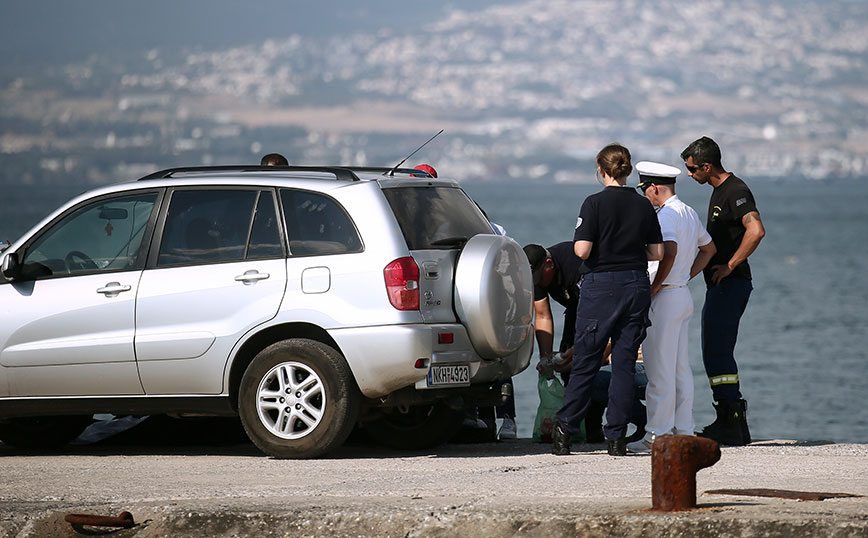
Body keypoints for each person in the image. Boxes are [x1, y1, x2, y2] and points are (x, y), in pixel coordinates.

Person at [552, 143, 663, 456]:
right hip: (636, 284)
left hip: (601, 286)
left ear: (601, 171)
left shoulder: (593, 203)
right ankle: (616, 437)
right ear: (626, 171)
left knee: (586, 360)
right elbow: (657, 253)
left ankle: (565, 431)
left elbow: (582, 251)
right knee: (624, 363)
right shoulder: (643, 205)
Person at [626, 161, 717, 453]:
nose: (645, 197)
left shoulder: (665, 215)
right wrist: (685, 275)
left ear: (653, 188)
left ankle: (657, 435)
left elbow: (670, 250)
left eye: (645, 191)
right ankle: (684, 429)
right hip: (682, 294)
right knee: (679, 369)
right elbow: (709, 249)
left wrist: (655, 286)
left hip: (665, 298)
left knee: (658, 370)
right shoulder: (688, 211)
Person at [681, 137, 765, 446]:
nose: (689, 175)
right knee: (715, 351)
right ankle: (732, 421)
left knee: (717, 352)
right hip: (722, 286)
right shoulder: (719, 192)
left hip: (731, 284)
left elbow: (756, 230)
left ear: (706, 166)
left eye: (691, 169)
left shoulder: (736, 191)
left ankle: (731, 420)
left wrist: (730, 264)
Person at [525, 243, 648, 443]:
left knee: (589, 372)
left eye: (539, 278)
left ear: (549, 264)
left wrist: (589, 355)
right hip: (577, 311)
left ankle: (644, 420)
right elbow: (542, 315)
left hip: (608, 312)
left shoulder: (576, 264)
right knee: (568, 370)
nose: (539, 284)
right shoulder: (535, 276)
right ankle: (589, 427)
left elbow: (608, 322)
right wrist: (546, 357)